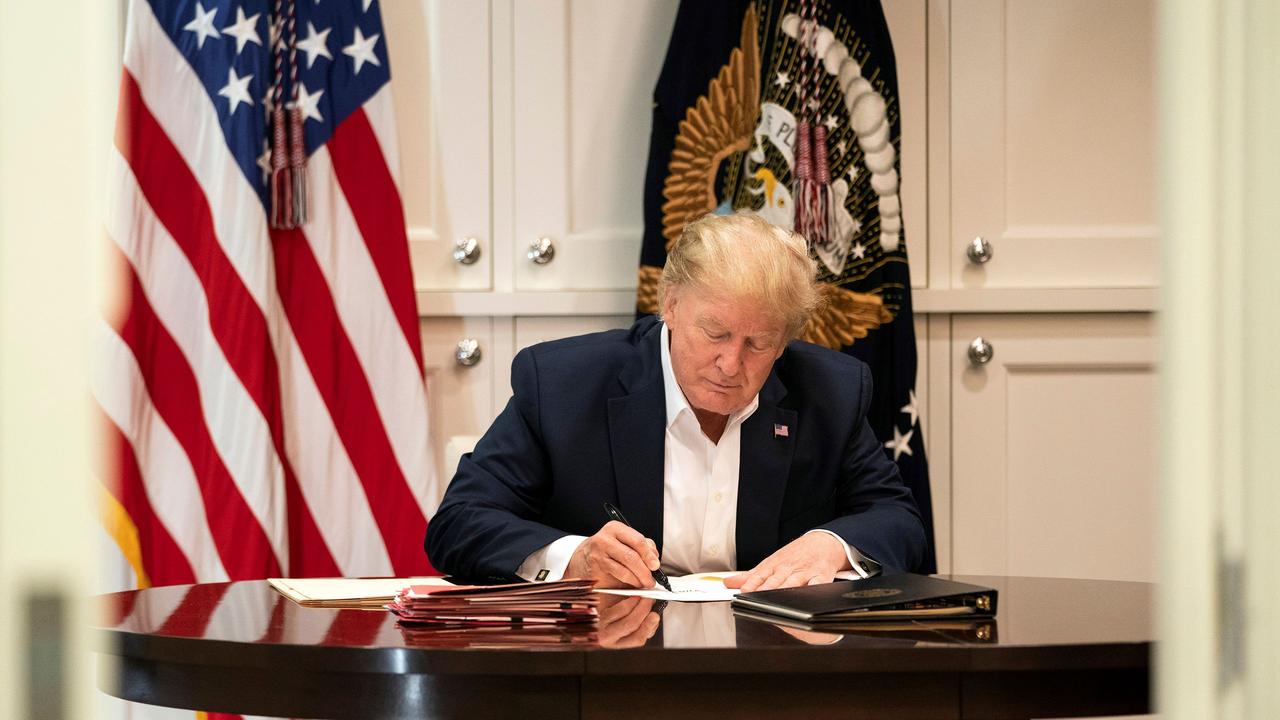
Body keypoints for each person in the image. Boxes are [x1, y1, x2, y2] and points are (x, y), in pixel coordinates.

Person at [425, 213, 926, 591]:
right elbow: (459, 522)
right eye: (715, 333)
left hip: (770, 661)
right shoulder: (563, 385)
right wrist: (575, 558)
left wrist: (833, 546)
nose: (731, 363)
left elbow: (898, 520)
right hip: (608, 663)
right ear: (670, 304)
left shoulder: (830, 392)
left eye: (759, 344)